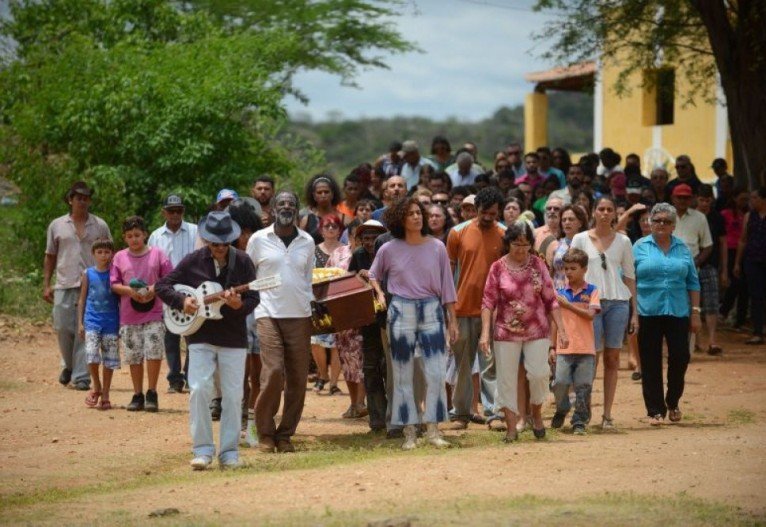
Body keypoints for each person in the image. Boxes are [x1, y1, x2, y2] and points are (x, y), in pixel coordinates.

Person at [156, 211, 258, 469]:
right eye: (216, 243)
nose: (221, 248)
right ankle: (202, 449)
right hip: (199, 336)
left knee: (234, 396)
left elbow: (254, 298)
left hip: (233, 338)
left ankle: (229, 452)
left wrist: (238, 305)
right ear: (207, 240)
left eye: (225, 242)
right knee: (200, 390)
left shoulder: (244, 261)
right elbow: (162, 286)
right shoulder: (193, 260)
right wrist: (183, 301)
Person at [369, 197, 459, 450]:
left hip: (432, 308)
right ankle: (409, 431)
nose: (417, 217)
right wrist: (379, 293)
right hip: (401, 309)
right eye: (411, 214)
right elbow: (372, 274)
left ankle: (433, 430)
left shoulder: (437, 247)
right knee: (402, 374)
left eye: (419, 212)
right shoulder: (388, 248)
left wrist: (452, 320)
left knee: (436, 372)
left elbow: (447, 287)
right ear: (400, 219)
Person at [479, 221, 568, 442]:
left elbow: (551, 300)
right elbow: (487, 302)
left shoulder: (538, 265)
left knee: (538, 374)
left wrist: (563, 330)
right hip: (505, 332)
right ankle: (511, 427)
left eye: (525, 245)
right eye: (516, 244)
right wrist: (484, 333)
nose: (521, 249)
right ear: (508, 243)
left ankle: (535, 414)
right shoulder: (497, 268)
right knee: (506, 380)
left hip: (537, 329)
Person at [247, 190, 315, 453]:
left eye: (291, 204)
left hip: (300, 314)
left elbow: (307, 279)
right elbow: (250, 275)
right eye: (281, 203)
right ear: (273, 209)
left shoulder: (307, 241)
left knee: (298, 378)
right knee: (273, 371)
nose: (286, 207)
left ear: (297, 210)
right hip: (267, 313)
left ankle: (285, 434)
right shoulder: (258, 239)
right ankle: (265, 432)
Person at [571, 196, 637, 430]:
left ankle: (607, 414)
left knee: (613, 358)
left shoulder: (624, 241)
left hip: (618, 302)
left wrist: (634, 312)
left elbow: (629, 277)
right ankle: (584, 411)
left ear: (614, 214)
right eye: (601, 209)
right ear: (594, 212)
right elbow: (572, 273)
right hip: (590, 304)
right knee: (590, 359)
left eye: (610, 209)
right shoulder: (580, 239)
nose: (605, 213)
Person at [633, 203, 701, 425]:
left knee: (681, 357)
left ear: (673, 226)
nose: (661, 224)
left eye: (666, 221)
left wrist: (695, 312)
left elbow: (693, 282)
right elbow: (629, 280)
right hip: (647, 310)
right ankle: (655, 410)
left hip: (678, 310)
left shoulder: (682, 249)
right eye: (657, 220)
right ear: (650, 223)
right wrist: (632, 312)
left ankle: (673, 401)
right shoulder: (639, 247)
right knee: (650, 361)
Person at [446, 187, 506, 429]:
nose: (488, 217)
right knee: (462, 363)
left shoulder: (504, 234)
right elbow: (448, 274)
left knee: (489, 362)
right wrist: (448, 311)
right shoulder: (457, 233)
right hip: (461, 308)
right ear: (475, 209)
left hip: (492, 310)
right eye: (484, 212)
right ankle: (460, 413)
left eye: (493, 213)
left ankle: (493, 413)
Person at [44, 181, 111, 390]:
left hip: (92, 283)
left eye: (86, 198)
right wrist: (46, 284)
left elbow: (110, 253)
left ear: (90, 200)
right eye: (78, 197)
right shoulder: (57, 225)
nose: (82, 201)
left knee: (86, 329)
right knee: (63, 327)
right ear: (70, 199)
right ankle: (70, 365)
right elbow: (50, 255)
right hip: (64, 282)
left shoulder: (100, 225)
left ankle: (81, 377)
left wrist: (111, 281)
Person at [110, 216, 172, 412]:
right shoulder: (119, 257)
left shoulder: (158, 254)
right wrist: (130, 291)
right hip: (129, 315)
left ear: (145, 234)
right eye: (129, 236)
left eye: (137, 235)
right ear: (124, 238)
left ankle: (152, 392)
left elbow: (169, 278)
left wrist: (153, 289)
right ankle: (137, 394)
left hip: (154, 312)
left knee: (154, 352)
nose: (134, 239)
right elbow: (113, 284)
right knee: (133, 355)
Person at [148, 194, 198, 393]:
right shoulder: (156, 236)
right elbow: (152, 265)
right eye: (171, 211)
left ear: (183, 211)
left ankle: (191, 376)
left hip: (192, 289)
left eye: (178, 210)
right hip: (167, 292)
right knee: (171, 336)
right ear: (164, 212)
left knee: (193, 335)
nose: (175, 214)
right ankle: (174, 378)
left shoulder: (195, 231)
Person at [550, 248, 600, 435]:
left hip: (586, 348)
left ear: (584, 269)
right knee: (560, 382)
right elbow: (555, 321)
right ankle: (562, 408)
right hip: (564, 347)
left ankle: (579, 421)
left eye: (573, 268)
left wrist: (567, 305)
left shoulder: (592, 291)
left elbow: (590, 315)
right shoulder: (561, 292)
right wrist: (552, 346)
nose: (569, 272)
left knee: (583, 386)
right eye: (566, 268)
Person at [348, 219, 389, 431]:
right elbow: (348, 281)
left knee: (389, 367)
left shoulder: (390, 251)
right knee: (371, 367)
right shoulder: (358, 256)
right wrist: (359, 276)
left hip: (388, 316)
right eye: (366, 238)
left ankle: (393, 416)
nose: (370, 242)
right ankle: (377, 419)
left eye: (374, 238)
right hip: (368, 319)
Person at [77, 238, 120, 410]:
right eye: (99, 252)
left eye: (107, 252)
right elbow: (82, 299)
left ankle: (106, 394)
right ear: (93, 254)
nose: (103, 255)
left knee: (109, 359)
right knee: (91, 354)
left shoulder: (115, 274)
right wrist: (80, 323)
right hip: (92, 320)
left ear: (112, 254)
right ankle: (97, 386)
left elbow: (120, 300)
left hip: (111, 321)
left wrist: (121, 323)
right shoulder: (88, 273)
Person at [671, 183, 713, 353]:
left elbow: (708, 245)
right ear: (673, 198)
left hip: (691, 270)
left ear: (691, 199)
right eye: (679, 197)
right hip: (668, 270)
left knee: (690, 309)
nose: (682, 200)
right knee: (672, 308)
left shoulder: (700, 218)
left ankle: (687, 349)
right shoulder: (665, 216)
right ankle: (675, 347)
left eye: (686, 197)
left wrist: (695, 263)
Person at [311, 214, 344, 394]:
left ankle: (333, 383)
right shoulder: (313, 250)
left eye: (334, 226)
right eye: (327, 226)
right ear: (321, 230)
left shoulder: (346, 250)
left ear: (340, 230)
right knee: (316, 341)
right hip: (317, 299)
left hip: (340, 299)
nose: (330, 229)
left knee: (337, 342)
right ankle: (322, 375)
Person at [695, 184, 727, 355]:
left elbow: (722, 243)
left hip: (710, 265)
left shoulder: (717, 218)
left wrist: (724, 269)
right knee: (693, 305)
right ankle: (697, 341)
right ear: (696, 199)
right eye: (702, 200)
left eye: (708, 200)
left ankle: (713, 340)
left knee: (711, 303)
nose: (705, 203)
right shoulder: (691, 217)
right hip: (692, 266)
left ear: (712, 200)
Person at [734, 187, 766, 345]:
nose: (751, 201)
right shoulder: (749, 216)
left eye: (754, 198)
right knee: (756, 296)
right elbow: (743, 240)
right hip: (753, 260)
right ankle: (758, 331)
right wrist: (738, 263)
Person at [719, 187, 750, 330]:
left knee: (745, 286)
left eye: (747, 199)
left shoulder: (747, 215)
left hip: (744, 251)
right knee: (734, 283)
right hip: (730, 250)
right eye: (742, 198)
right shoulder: (725, 214)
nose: (745, 201)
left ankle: (740, 320)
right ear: (735, 198)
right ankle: (723, 312)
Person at [300, 174, 347, 243]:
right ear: (314, 196)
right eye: (319, 192)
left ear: (332, 194)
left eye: (326, 192)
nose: (323, 195)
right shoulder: (306, 221)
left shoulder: (343, 219)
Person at [551, 204, 589, 290]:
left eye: (571, 219)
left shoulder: (587, 243)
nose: (567, 222)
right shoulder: (555, 244)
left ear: (580, 223)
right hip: (558, 292)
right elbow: (550, 273)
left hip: (581, 292)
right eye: (564, 220)